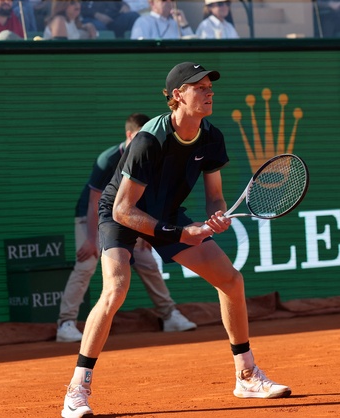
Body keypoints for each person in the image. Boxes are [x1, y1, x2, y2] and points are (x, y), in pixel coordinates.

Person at [60, 62, 291, 418]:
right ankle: (78, 389)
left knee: (231, 280)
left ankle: (246, 375)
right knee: (115, 289)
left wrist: (217, 217)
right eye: (199, 87)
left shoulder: (211, 137)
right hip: (122, 212)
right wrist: (182, 233)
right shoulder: (149, 140)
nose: (209, 92)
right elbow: (123, 209)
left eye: (210, 86)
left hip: (166, 212)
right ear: (178, 95)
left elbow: (215, 197)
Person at [56, 112, 197, 343]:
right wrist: (91, 240)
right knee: (87, 263)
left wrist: (147, 232)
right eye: (142, 136)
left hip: (129, 215)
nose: (148, 140)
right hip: (93, 216)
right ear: (130, 135)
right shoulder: (108, 159)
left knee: (147, 261)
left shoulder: (151, 156)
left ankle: (170, 315)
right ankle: (66, 324)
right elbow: (93, 202)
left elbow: (147, 197)